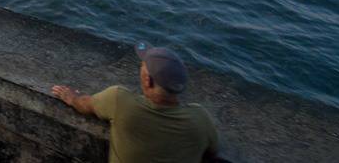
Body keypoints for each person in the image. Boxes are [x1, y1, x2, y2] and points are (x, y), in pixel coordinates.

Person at [51, 45, 220, 163]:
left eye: (142, 66)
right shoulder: (200, 120)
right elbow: (213, 151)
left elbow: (83, 105)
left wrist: (72, 97)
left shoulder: (119, 100)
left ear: (148, 80)